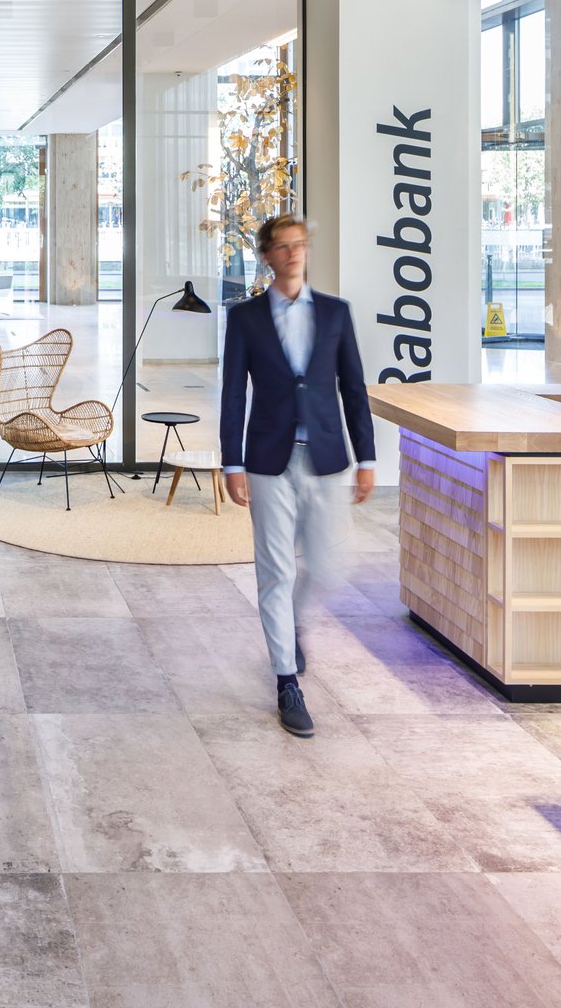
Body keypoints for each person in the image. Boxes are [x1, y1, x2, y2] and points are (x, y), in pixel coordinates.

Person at [220, 214, 376, 738]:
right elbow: (232, 395)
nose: (292, 254)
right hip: (267, 459)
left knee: (330, 565)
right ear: (266, 255)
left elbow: (354, 388)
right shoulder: (245, 319)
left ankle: (291, 621)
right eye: (282, 247)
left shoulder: (335, 314)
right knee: (275, 571)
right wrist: (232, 461)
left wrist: (368, 458)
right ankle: (287, 680)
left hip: (326, 457)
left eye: (299, 245)